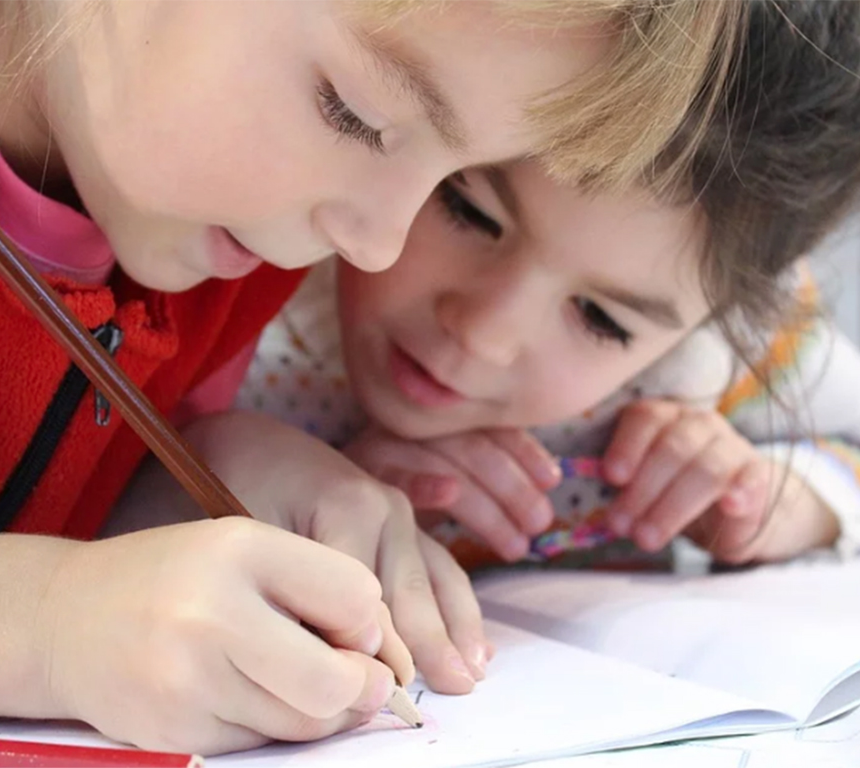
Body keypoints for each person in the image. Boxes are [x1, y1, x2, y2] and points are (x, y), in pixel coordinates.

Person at [0, 0, 747, 756]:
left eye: (454, 175)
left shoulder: (236, 245)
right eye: (359, 116)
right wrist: (29, 630)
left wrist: (195, 479)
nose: (377, 243)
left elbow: (22, 500)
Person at [229, 0, 860, 573]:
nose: (484, 334)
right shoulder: (245, 264)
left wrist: (788, 497)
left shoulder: (724, 355)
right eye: (468, 212)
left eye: (600, 319)